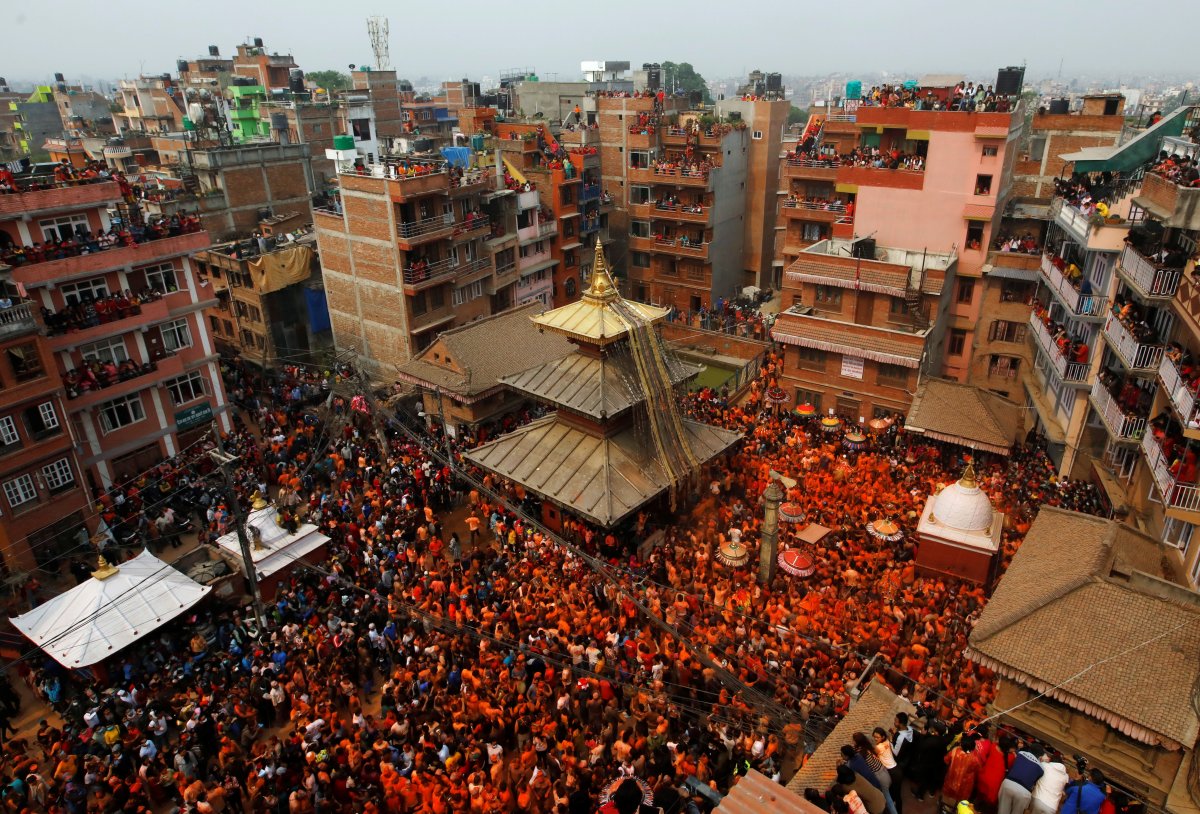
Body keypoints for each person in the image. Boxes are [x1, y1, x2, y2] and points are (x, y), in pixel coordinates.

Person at [996, 743, 1044, 814]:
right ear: (1040, 755)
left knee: (1002, 811)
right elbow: (1035, 782)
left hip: (1009, 783)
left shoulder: (1021, 753)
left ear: (1030, 749)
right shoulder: (1041, 768)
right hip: (1024, 792)